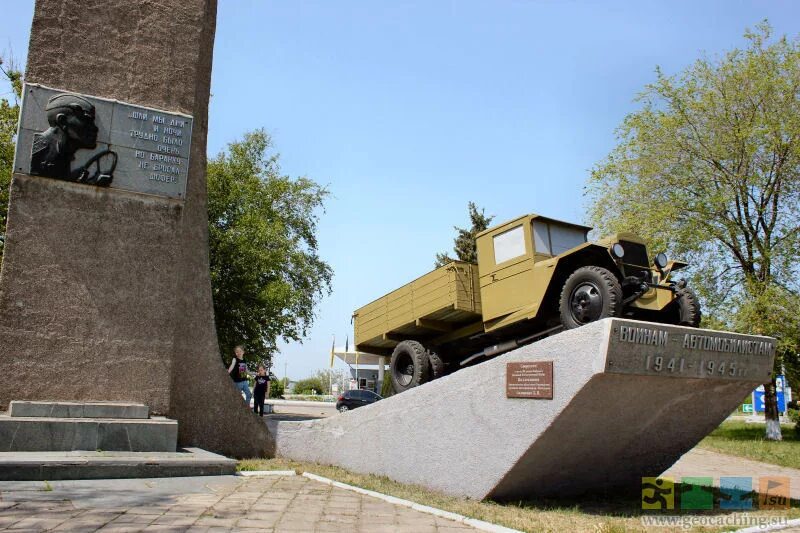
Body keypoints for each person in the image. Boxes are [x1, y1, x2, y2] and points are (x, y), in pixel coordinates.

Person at [30, 92, 116, 185]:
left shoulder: (64, 153)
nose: (95, 128)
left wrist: (91, 182)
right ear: (63, 122)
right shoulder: (38, 150)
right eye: (87, 120)